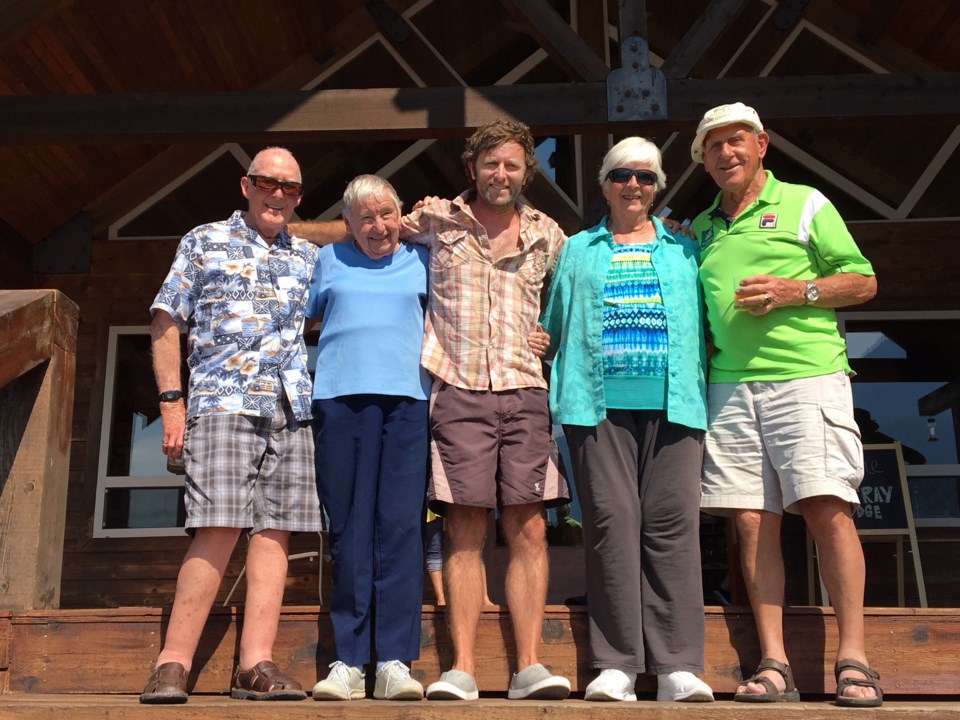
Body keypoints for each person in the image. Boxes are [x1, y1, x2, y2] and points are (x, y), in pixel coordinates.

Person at [291, 119, 571, 702]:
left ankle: (523, 667)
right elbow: (360, 227)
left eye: (512, 165)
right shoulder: (435, 222)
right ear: (472, 168)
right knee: (450, 527)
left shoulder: (550, 234)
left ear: (527, 171)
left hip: (509, 390)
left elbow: (575, 295)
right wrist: (280, 228)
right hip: (454, 390)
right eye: (490, 163)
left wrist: (552, 334)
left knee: (522, 527)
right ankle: (454, 668)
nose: (501, 174)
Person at [690, 103, 882, 707]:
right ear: (704, 159)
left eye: (737, 141)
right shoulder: (701, 228)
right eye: (713, 146)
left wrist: (797, 290)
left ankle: (855, 659)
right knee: (751, 520)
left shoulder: (805, 203)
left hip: (807, 377)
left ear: (762, 144)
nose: (726, 153)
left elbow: (864, 279)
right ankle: (773, 661)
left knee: (828, 510)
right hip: (728, 387)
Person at [140, 147, 320, 704]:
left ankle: (255, 666)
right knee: (217, 527)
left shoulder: (308, 256)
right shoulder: (203, 239)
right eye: (269, 183)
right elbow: (166, 320)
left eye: (291, 188)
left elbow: (357, 235)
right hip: (221, 402)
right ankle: (172, 664)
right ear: (247, 185)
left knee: (274, 535)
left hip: (290, 408)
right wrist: (172, 402)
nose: (280, 195)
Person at [540, 137, 714, 704]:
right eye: (620, 176)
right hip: (597, 406)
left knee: (671, 529)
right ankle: (615, 664)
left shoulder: (686, 249)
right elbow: (554, 325)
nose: (632, 186)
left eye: (643, 176)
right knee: (612, 526)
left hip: (675, 405)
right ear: (604, 185)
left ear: (657, 186)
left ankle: (676, 667)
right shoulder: (577, 250)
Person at [307, 175, 430, 701]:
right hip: (340, 401)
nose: (377, 227)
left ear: (400, 215)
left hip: (407, 403)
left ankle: (395, 662)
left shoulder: (425, 258)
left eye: (386, 214)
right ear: (348, 223)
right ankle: (349, 661)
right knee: (350, 529)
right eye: (364, 218)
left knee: (400, 528)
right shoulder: (327, 260)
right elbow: (297, 317)